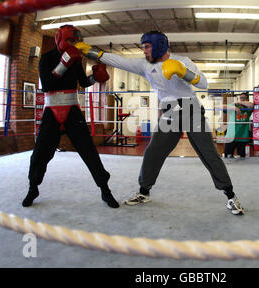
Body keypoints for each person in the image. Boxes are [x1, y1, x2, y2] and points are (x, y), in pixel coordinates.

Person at [75, 31, 244, 215]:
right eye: (144, 47)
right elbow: (118, 61)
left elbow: (203, 84)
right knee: (153, 151)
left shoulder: (183, 60)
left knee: (208, 152)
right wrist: (91, 52)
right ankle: (144, 192)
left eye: (147, 47)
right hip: (170, 112)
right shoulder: (144, 65)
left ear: (158, 45)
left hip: (190, 109)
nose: (144, 51)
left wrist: (183, 72)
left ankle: (231, 196)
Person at [22, 24, 119, 209]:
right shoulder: (46, 58)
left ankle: (105, 191)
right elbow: (47, 86)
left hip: (73, 110)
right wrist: (63, 64)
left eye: (75, 41)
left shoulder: (75, 59)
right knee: (40, 153)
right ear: (59, 38)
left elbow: (83, 82)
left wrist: (95, 77)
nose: (73, 43)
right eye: (70, 40)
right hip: (51, 111)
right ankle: (32, 188)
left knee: (88, 150)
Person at [221, 93, 254, 160]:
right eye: (241, 97)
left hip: (242, 136)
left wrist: (239, 102)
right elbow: (221, 107)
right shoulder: (234, 105)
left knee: (242, 158)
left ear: (247, 99)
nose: (242, 99)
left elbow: (251, 105)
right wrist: (233, 107)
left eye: (244, 98)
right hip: (231, 136)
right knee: (227, 157)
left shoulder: (248, 108)